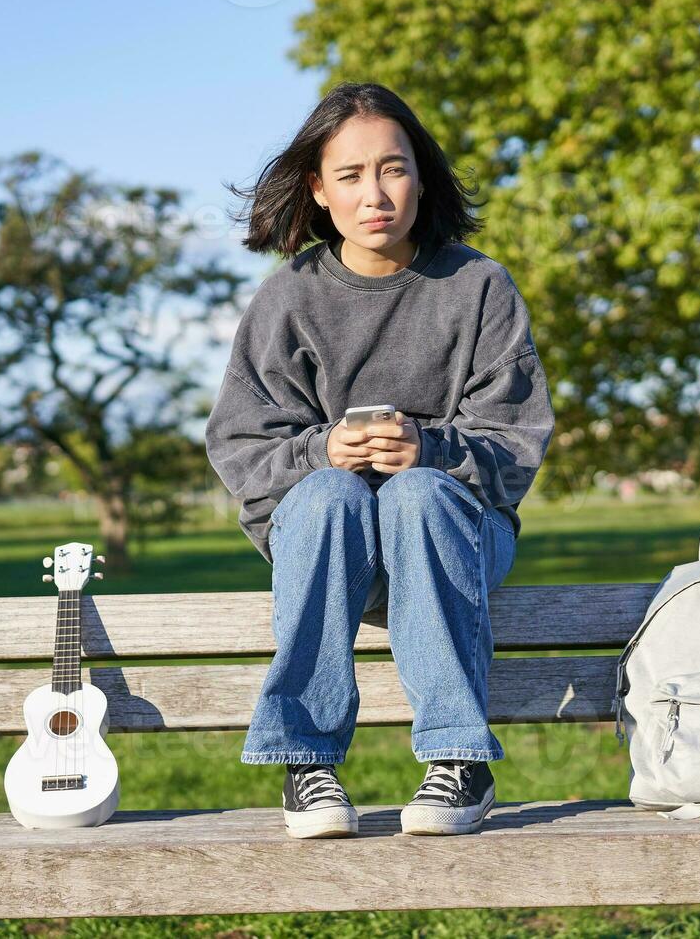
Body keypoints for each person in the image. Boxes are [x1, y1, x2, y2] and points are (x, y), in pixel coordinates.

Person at [206, 82, 554, 839]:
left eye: (392, 169)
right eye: (351, 175)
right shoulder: (286, 300)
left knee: (416, 495)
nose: (375, 194)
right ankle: (307, 764)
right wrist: (321, 449)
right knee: (332, 495)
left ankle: (459, 760)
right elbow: (239, 448)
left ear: (420, 177)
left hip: (454, 540)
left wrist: (425, 450)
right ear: (318, 190)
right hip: (325, 549)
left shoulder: (478, 286)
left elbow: (516, 441)